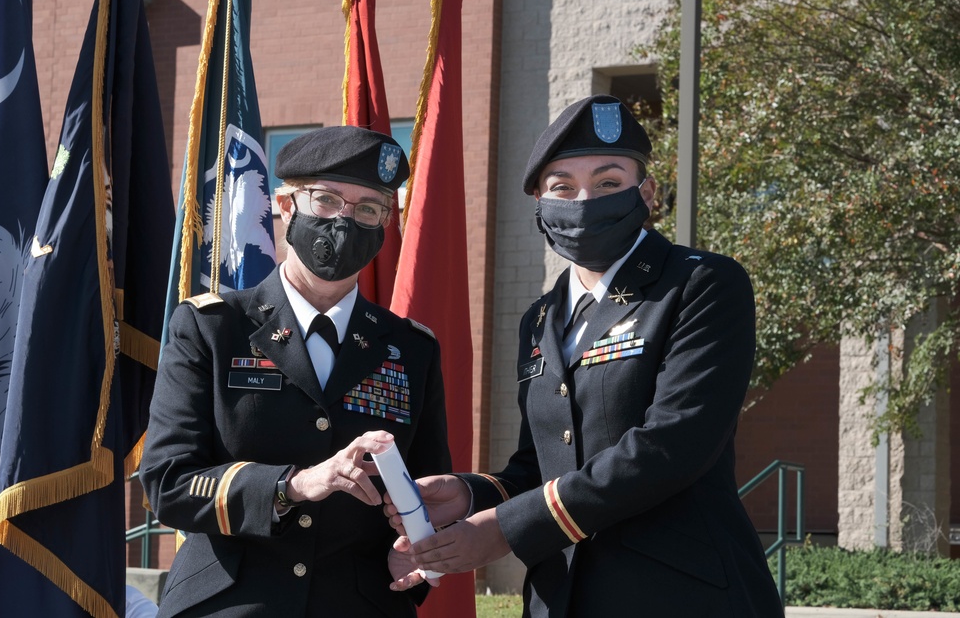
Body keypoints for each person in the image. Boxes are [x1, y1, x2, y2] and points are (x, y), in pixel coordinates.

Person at [386, 95, 785, 617]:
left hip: (681, 593)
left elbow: (674, 444)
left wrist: (507, 530)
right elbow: (541, 464)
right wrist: (470, 497)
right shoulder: (541, 318)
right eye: (562, 188)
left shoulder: (701, 283)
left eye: (608, 183)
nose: (583, 201)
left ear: (647, 192)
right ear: (540, 206)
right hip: (562, 597)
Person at [141, 126, 451, 618]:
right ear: (286, 207)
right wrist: (294, 485)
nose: (344, 223)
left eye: (368, 209)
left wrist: (415, 549)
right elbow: (169, 482)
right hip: (228, 601)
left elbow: (431, 488)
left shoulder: (411, 348)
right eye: (326, 200)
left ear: (385, 225)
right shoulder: (211, 328)